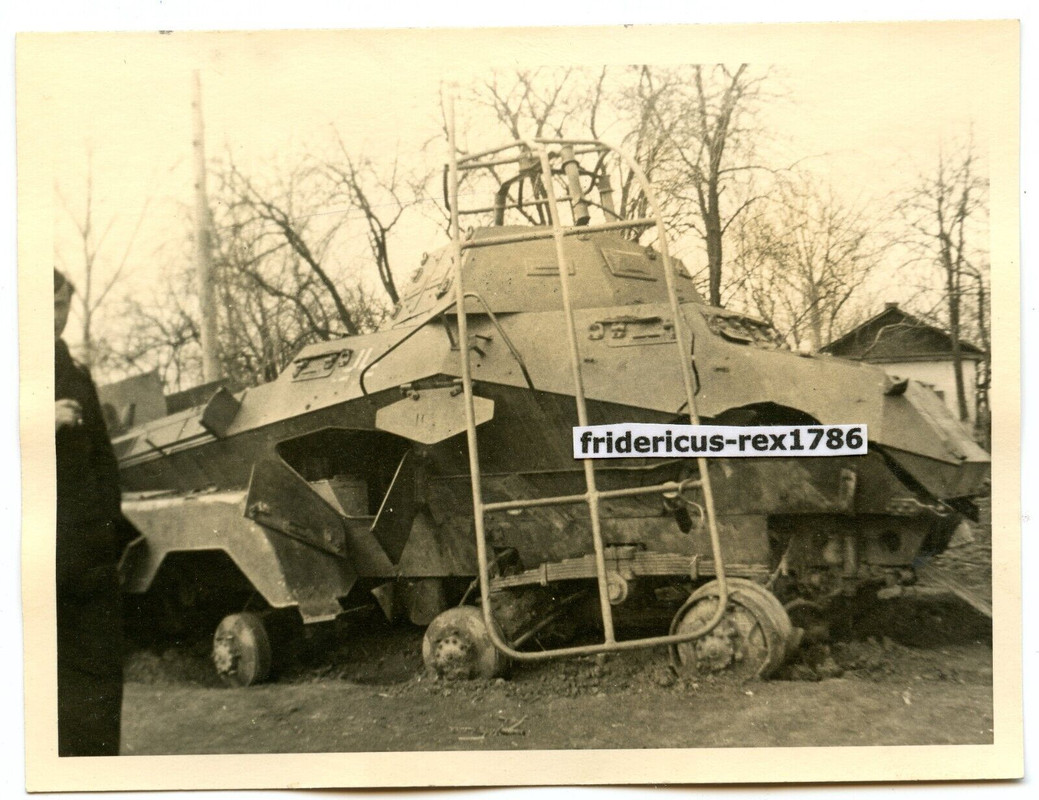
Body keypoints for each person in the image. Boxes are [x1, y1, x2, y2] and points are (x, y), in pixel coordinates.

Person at [54, 268, 133, 757]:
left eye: (62, 306)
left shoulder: (76, 373)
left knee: (99, 690)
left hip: (88, 557)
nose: (57, 318)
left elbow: (105, 461)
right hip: (35, 559)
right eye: (48, 305)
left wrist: (107, 535)